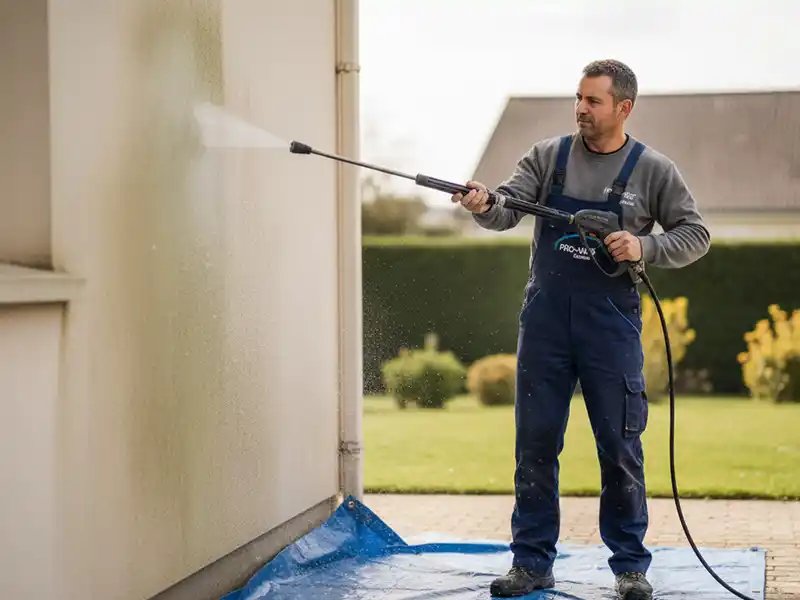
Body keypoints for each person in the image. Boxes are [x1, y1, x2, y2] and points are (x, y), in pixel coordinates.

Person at [451, 59, 710, 600]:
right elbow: (504, 209)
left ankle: (630, 569)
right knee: (535, 446)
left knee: (619, 447)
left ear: (624, 107)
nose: (580, 109)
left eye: (593, 101)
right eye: (578, 98)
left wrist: (645, 245)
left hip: (610, 327)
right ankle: (531, 564)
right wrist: (482, 203)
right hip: (544, 324)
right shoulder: (548, 157)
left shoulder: (654, 170)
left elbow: (695, 234)